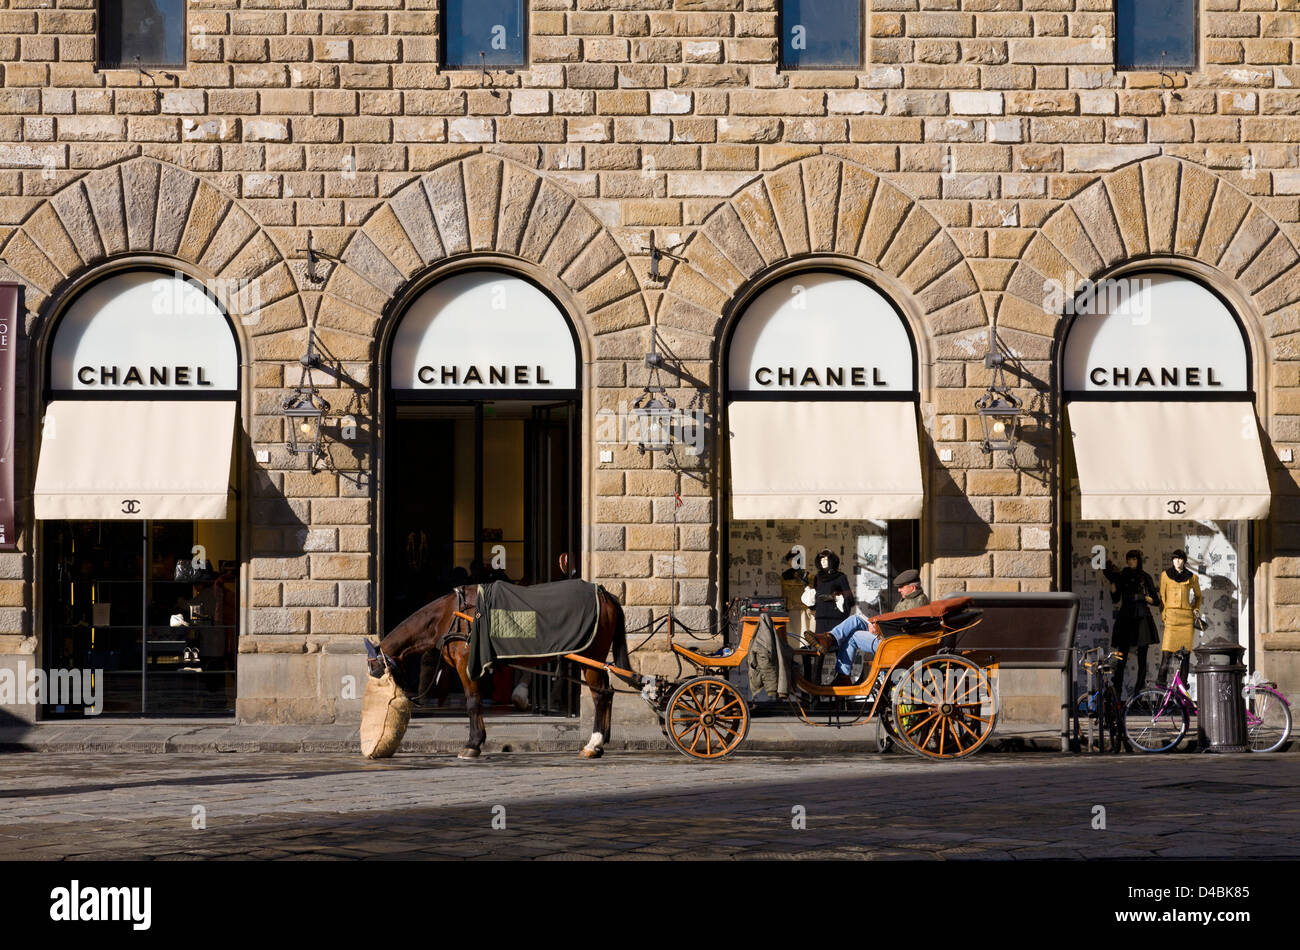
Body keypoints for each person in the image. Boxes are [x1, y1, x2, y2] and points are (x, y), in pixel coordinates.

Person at [820, 569, 925, 686]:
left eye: (902, 587)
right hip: (890, 638)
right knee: (855, 619)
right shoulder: (909, 599)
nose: (899, 590)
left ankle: (843, 675)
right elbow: (897, 620)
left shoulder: (919, 602)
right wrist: (877, 623)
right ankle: (830, 638)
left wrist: (879, 629)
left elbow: (906, 627)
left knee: (854, 636)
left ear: (913, 588)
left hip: (894, 643)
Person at [1102, 549, 1160, 696]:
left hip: (1142, 618)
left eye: (1133, 559)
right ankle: (1116, 693)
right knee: (1121, 659)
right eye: (1129, 559)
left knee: (1142, 660)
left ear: (1138, 560)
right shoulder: (1123, 575)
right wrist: (1112, 583)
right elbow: (1115, 598)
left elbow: (1156, 601)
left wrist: (1143, 597)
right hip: (1126, 617)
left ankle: (1138, 696)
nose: (1131, 562)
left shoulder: (1145, 577)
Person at [1156, 549, 1201, 687]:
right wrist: (1164, 613)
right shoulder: (1165, 575)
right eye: (1175, 559)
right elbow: (1162, 596)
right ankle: (1161, 689)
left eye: (1180, 559)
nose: (1177, 561)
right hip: (1171, 618)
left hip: (1186, 620)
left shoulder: (1192, 577)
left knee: (1185, 656)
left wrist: (1195, 609)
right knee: (1166, 656)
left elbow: (1198, 596)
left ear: (1184, 560)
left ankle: (1182, 688)